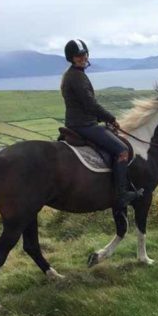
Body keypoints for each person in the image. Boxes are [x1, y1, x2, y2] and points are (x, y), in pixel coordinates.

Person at [61, 39, 143, 208]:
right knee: (122, 150)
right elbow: (90, 104)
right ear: (71, 58)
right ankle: (121, 195)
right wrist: (110, 118)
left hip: (79, 122)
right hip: (84, 125)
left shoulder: (73, 74)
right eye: (78, 56)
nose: (83, 57)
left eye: (84, 54)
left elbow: (82, 105)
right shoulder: (76, 77)